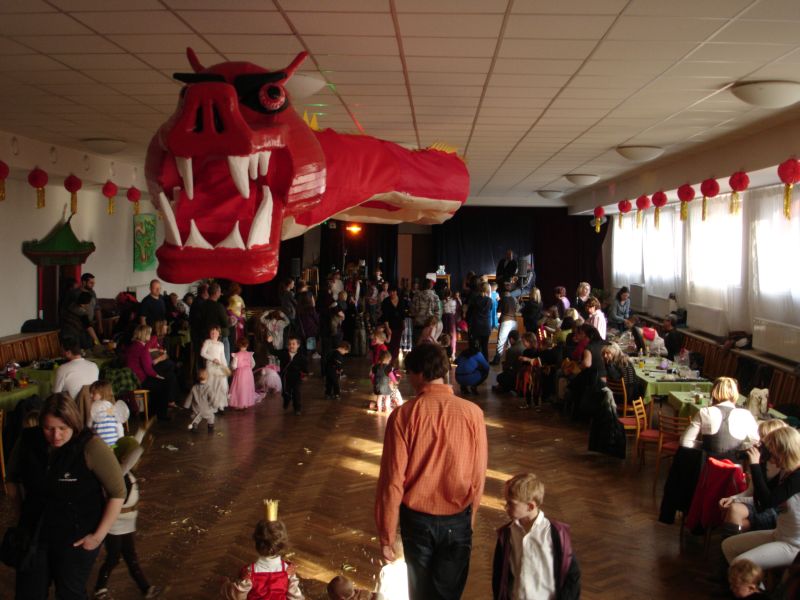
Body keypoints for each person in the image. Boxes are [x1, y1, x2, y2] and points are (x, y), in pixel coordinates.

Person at [376, 343, 487, 600]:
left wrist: (387, 535)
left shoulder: (403, 415)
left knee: (420, 594)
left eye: (409, 373)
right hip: (458, 518)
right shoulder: (473, 413)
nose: (407, 378)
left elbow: (392, 482)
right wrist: (470, 519)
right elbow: (478, 475)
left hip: (417, 522)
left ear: (419, 373)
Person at [6, 394, 126, 599]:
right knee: (28, 592)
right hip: (35, 532)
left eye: (63, 428)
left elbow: (118, 492)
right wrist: (20, 516)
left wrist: (97, 537)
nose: (56, 436)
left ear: (74, 424)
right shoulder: (28, 440)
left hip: (76, 537)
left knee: (70, 593)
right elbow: (11, 479)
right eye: (48, 428)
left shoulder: (91, 446)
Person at [492, 473, 580, 600]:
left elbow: (572, 575)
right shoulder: (507, 534)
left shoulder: (554, 534)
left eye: (511, 503)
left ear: (530, 506)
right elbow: (499, 575)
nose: (506, 507)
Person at [722, 427, 800, 570]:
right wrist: (761, 462)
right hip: (780, 534)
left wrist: (755, 465)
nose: (772, 460)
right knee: (728, 546)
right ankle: (748, 582)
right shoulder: (786, 471)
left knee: (740, 563)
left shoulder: (797, 476)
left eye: (773, 455)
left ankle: (748, 583)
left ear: (785, 452)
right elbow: (760, 500)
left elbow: (768, 502)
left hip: (794, 544)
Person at [93, 436, 161, 599]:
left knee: (130, 556)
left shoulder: (125, 473)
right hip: (115, 525)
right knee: (114, 557)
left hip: (127, 524)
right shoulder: (119, 475)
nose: (138, 460)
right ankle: (100, 588)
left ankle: (145, 588)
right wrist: (141, 447)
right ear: (125, 458)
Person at [719, 419, 788, 536]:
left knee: (736, 514)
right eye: (761, 439)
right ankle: (731, 545)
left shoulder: (785, 465)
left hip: (778, 509)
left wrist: (736, 500)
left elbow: (770, 500)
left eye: (764, 440)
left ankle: (731, 544)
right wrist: (732, 498)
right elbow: (751, 491)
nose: (760, 444)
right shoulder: (762, 461)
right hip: (761, 505)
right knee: (733, 511)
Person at [221, 519, 304, 600]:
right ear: (281, 545)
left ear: (257, 544)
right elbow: (295, 597)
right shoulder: (288, 570)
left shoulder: (249, 572)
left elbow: (237, 596)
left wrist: (226, 585)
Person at [680, 377, 759, 460]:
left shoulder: (705, 412)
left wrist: (704, 446)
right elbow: (756, 443)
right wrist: (739, 447)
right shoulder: (746, 415)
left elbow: (685, 442)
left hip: (707, 464)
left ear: (713, 392)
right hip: (733, 466)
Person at [126, 325, 177, 422]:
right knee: (165, 383)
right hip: (140, 379)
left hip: (133, 377)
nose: (150, 336)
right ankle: (161, 415)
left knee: (168, 376)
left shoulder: (133, 345)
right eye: (149, 333)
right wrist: (158, 376)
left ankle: (153, 411)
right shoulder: (142, 348)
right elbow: (148, 369)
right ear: (144, 335)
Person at [53, 335, 100, 400]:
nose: (61, 353)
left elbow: (56, 394)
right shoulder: (94, 366)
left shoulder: (62, 369)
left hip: (71, 405)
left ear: (68, 353)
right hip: (91, 403)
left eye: (62, 351)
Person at [276, 335, 308, 416]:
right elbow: (273, 351)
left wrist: (305, 375)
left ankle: (297, 408)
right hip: (285, 378)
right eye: (289, 344)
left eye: (293, 344)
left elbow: (305, 368)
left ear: (298, 345)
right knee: (286, 392)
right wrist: (269, 342)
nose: (291, 346)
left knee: (297, 392)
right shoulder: (283, 354)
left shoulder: (301, 357)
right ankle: (286, 400)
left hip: (297, 377)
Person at [88, 380, 127, 447]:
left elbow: (89, 426)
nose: (90, 395)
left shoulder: (95, 410)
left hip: (99, 447)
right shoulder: (113, 409)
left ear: (102, 394)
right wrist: (121, 442)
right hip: (113, 445)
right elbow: (119, 428)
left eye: (93, 393)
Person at [201, 325, 229, 414]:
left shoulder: (221, 344)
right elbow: (202, 353)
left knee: (221, 385)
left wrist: (225, 367)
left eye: (215, 332)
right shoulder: (207, 342)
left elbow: (222, 357)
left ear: (219, 333)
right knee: (212, 385)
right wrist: (213, 359)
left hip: (219, 367)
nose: (213, 334)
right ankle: (212, 405)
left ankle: (220, 405)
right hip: (211, 366)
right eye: (212, 332)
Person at [410, 278, 441, 349]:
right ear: (431, 286)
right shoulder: (435, 297)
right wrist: (433, 322)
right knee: (429, 349)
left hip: (418, 325)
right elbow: (438, 313)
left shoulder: (416, 296)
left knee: (417, 347)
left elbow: (412, 310)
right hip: (430, 326)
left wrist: (417, 316)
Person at [380, 286, 407, 365]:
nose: (391, 293)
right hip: (389, 325)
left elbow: (403, 314)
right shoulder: (386, 301)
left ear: (396, 291)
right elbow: (385, 316)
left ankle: (393, 362)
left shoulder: (401, 300)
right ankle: (386, 362)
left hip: (398, 325)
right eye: (390, 292)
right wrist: (387, 328)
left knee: (396, 345)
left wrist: (404, 323)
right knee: (389, 344)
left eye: (393, 291)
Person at [229, 337, 258, 410]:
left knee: (239, 388)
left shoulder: (237, 355)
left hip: (240, 373)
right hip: (248, 372)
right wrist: (249, 368)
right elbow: (253, 364)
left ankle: (239, 404)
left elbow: (234, 365)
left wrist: (233, 369)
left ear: (238, 345)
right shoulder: (249, 354)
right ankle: (245, 403)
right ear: (247, 345)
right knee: (247, 388)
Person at [492, 287, 518, 365]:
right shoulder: (514, 299)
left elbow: (498, 311)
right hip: (514, 321)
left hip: (506, 321)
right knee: (511, 341)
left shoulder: (503, 299)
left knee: (501, 341)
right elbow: (517, 309)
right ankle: (509, 360)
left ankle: (497, 360)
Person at [467, 283, 493, 360]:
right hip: (486, 326)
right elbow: (490, 310)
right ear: (487, 290)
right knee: (485, 347)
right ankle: (485, 364)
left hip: (476, 326)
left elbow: (470, 312)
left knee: (476, 347)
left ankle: (475, 363)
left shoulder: (474, 299)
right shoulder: (489, 300)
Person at [187, 368, 216, 432]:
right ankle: (210, 426)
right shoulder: (209, 388)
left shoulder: (194, 387)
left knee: (196, 417)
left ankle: (194, 425)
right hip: (206, 409)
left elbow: (189, 397)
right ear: (207, 377)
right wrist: (214, 404)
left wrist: (186, 405)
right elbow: (212, 398)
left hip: (197, 408)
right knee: (211, 416)